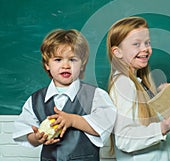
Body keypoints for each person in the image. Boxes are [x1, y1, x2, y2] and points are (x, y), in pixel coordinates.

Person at [13, 29, 116, 161]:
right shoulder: (35, 100)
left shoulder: (95, 96)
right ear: (47, 64)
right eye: (58, 59)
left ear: (82, 64)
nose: (66, 65)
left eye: (72, 60)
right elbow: (25, 133)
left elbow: (104, 125)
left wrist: (72, 120)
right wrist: (37, 138)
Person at [106, 16, 170, 161]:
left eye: (147, 42)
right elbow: (124, 139)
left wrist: (166, 100)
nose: (145, 49)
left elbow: (142, 124)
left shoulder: (138, 83)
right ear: (117, 52)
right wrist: (162, 128)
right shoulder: (124, 84)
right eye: (136, 44)